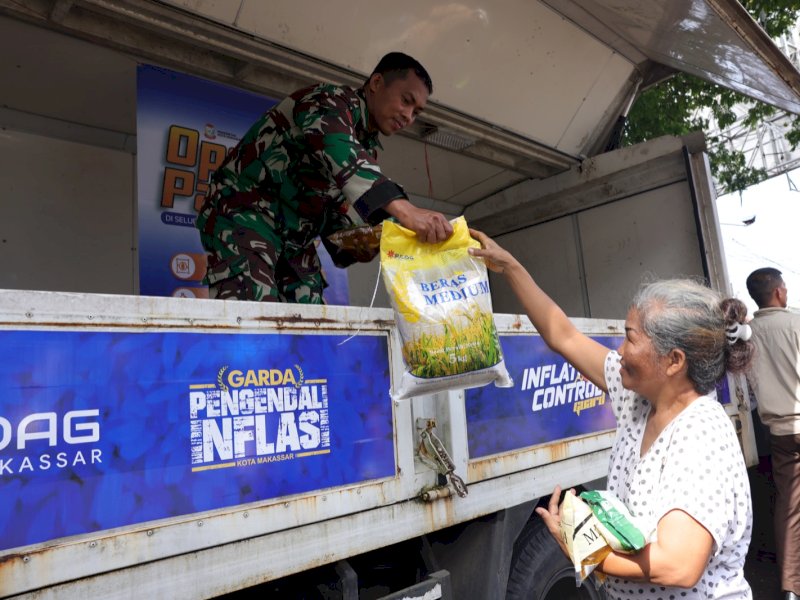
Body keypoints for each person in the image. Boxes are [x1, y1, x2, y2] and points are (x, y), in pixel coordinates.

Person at [469, 229, 754, 599]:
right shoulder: (639, 399)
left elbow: (678, 566)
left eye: (630, 338)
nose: (619, 351)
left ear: (673, 361)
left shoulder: (701, 435)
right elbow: (564, 336)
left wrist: (578, 546)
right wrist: (509, 267)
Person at [196, 52, 453, 303]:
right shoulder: (328, 101)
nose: (409, 116)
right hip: (245, 212)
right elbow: (341, 151)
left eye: (416, 112)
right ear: (376, 83)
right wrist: (406, 211)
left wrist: (365, 242)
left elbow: (333, 212)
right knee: (252, 312)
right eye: (406, 101)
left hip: (295, 240)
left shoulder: (367, 148)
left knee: (312, 323)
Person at [745, 267, 800, 600]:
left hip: (778, 433)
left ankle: (791, 587)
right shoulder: (795, 323)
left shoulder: (748, 334)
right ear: (779, 292)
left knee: (789, 508)